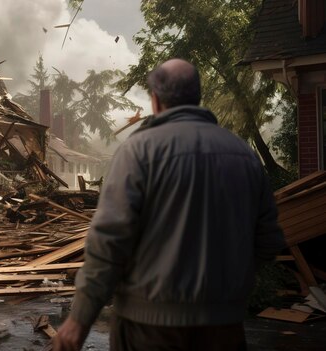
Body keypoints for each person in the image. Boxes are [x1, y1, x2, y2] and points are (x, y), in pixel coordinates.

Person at [53, 59, 285, 351]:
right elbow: (269, 241)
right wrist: (229, 284)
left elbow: (109, 243)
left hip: (148, 329)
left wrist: (79, 320)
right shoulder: (244, 156)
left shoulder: (138, 152)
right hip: (223, 328)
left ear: (155, 100)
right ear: (197, 96)